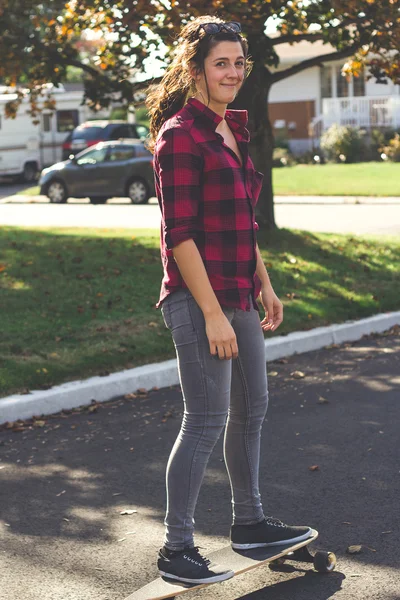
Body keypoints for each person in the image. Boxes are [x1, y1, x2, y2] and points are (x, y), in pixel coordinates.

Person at [145, 15, 312, 585]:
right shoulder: (179, 136)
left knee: (253, 411)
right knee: (207, 418)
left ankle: (251, 523)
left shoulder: (232, 130)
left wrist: (263, 282)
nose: (233, 73)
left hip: (239, 292)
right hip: (198, 302)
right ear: (195, 70)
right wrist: (214, 313)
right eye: (222, 63)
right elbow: (180, 235)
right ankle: (177, 548)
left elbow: (244, 219)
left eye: (239, 63)